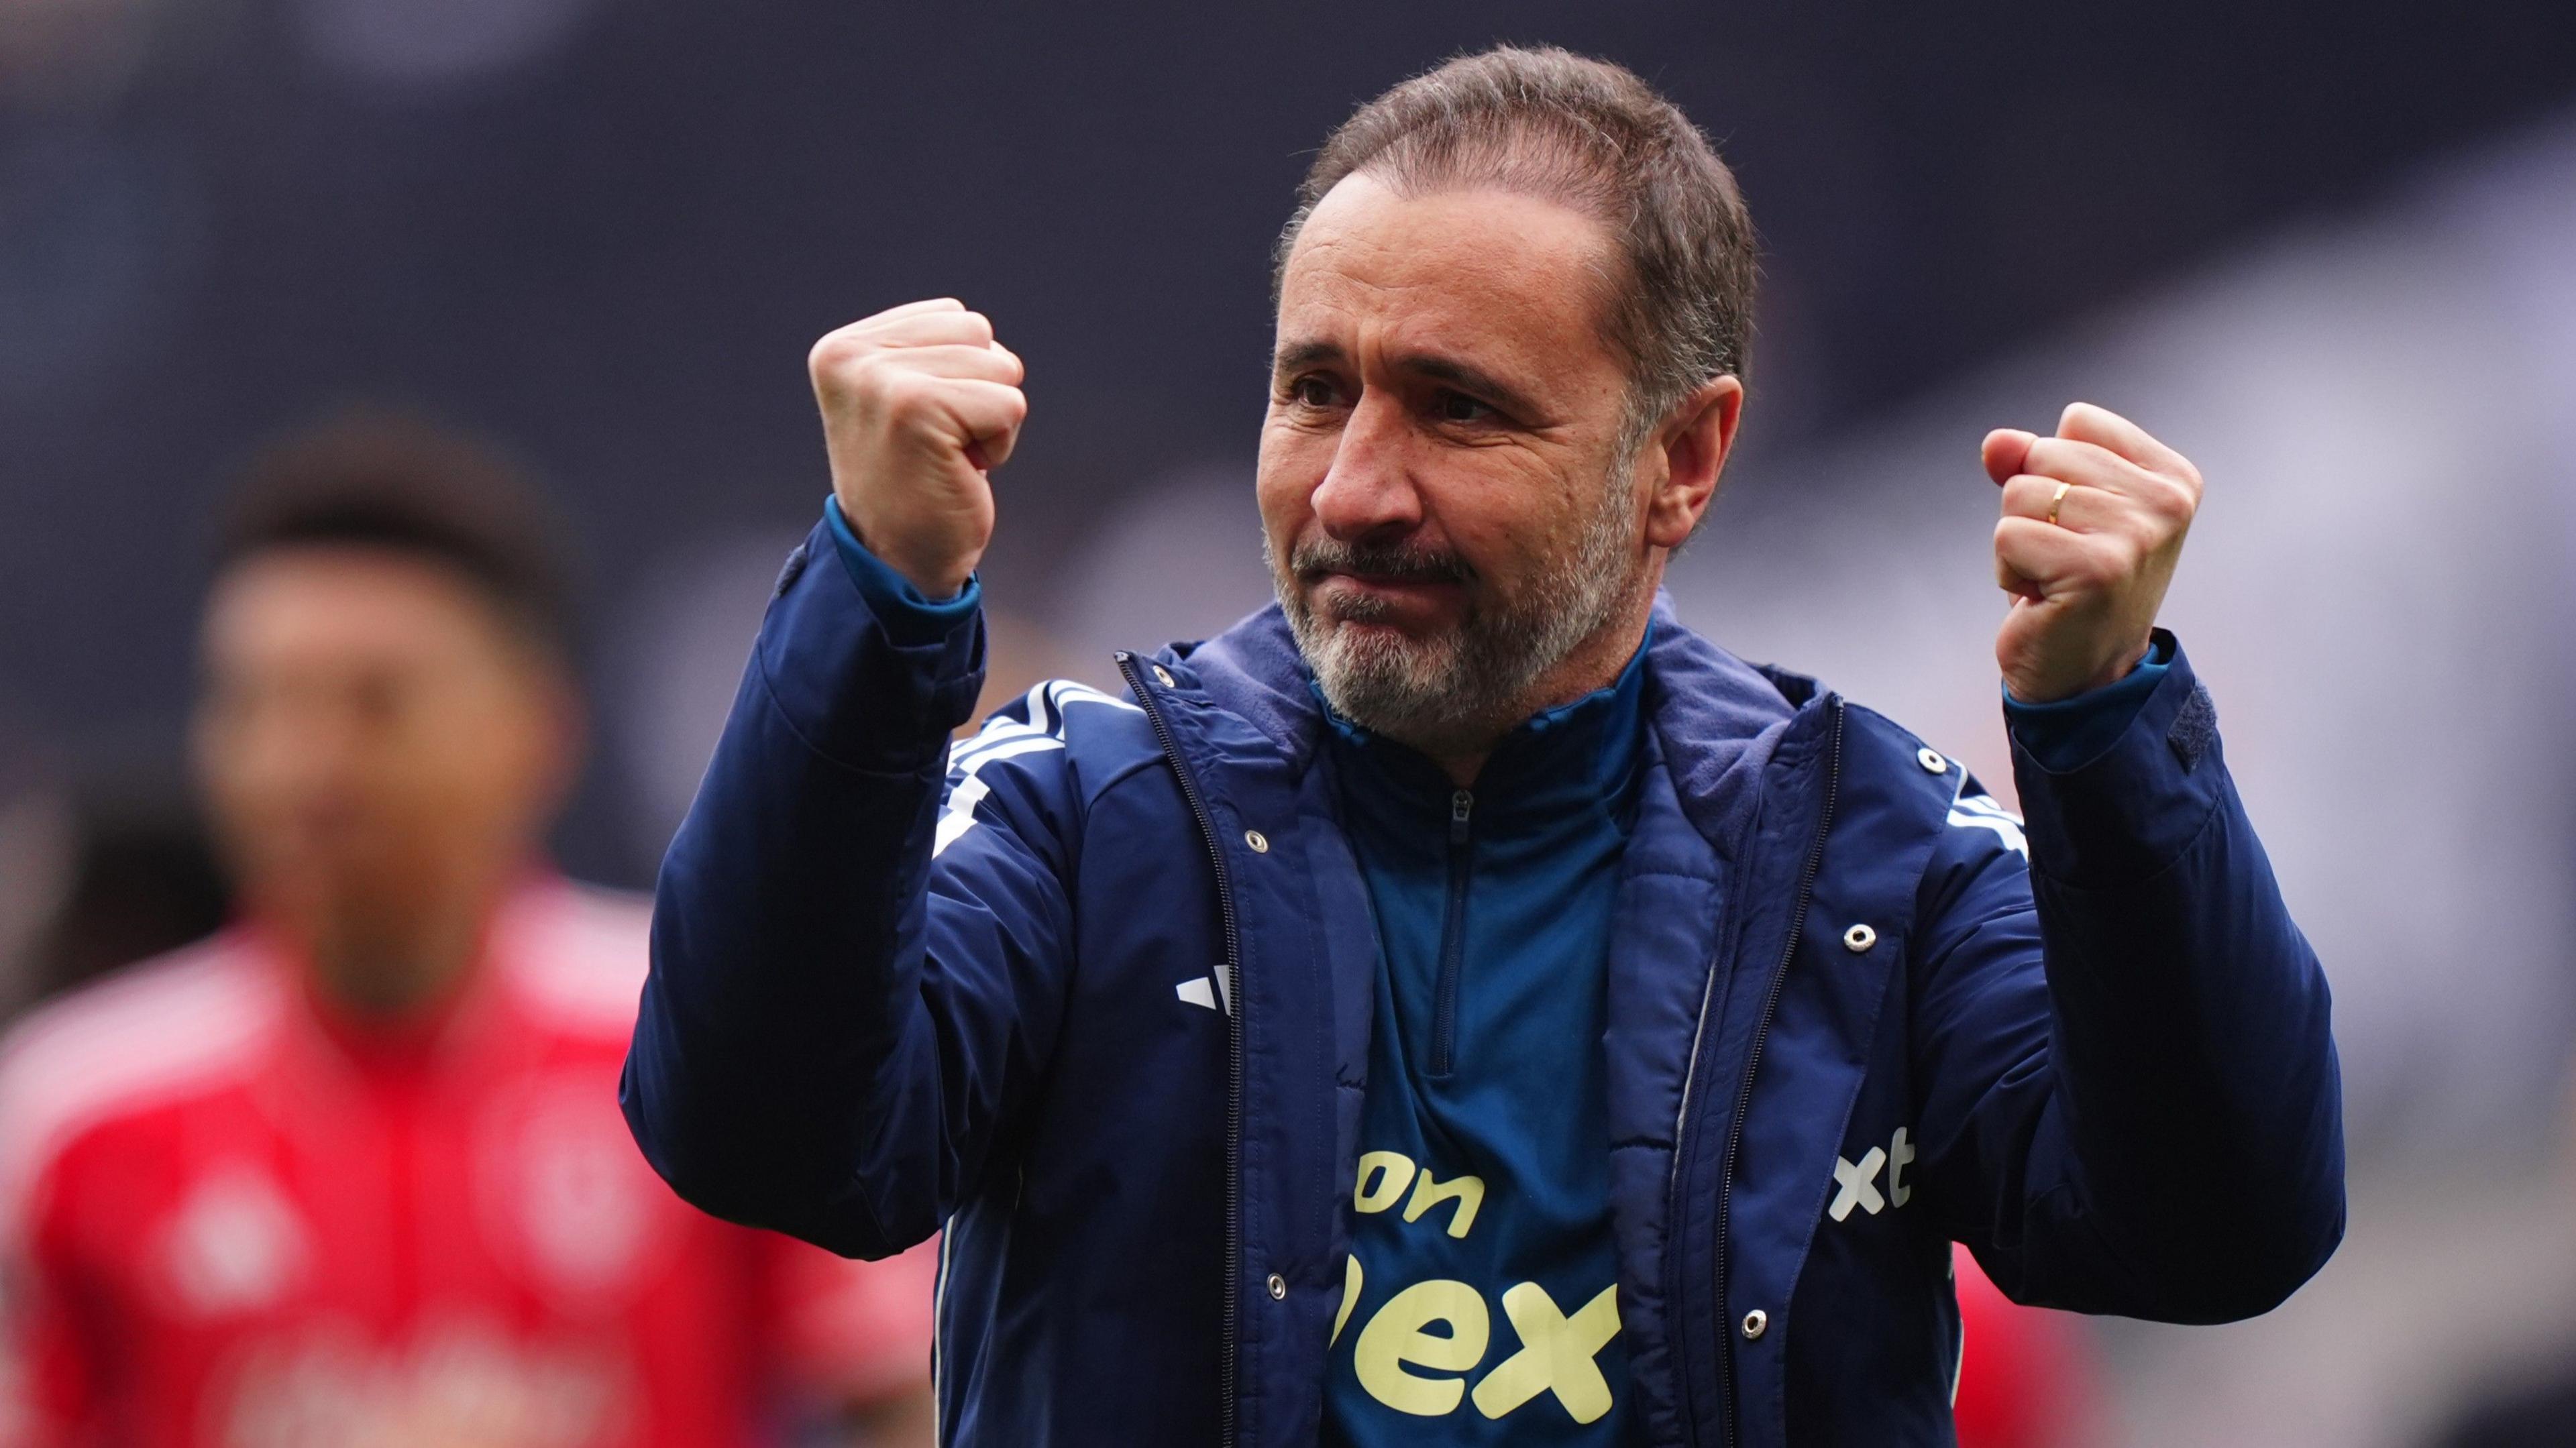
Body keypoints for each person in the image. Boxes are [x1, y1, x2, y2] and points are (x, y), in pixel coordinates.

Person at [623, 46, 2344, 1447]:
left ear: (1682, 459)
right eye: (1315, 391)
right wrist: (876, 611)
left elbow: (2216, 1230)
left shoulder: (1876, 851)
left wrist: (2110, 731)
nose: (1355, 488)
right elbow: (765, 1137)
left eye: (1458, 406)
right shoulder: (1088, 807)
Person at [0, 414, 936, 1447]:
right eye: (257, 704)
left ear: (535, 731)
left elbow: (907, 1403)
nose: (305, 768)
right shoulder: (73, 1114)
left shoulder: (718, 1037)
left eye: (376, 704)